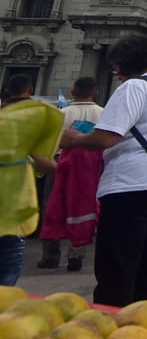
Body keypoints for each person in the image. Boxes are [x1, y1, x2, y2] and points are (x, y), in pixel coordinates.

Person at [56, 35, 147, 306]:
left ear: (129, 61)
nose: (115, 73)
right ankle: (146, 322)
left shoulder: (135, 88)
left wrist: (73, 140)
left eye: (116, 66)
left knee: (117, 267)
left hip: (130, 187)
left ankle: (113, 325)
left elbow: (106, 138)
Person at [38, 77, 104, 272]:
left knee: (52, 205)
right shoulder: (104, 113)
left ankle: (50, 255)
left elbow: (49, 142)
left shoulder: (61, 113)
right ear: (96, 92)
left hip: (60, 163)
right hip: (91, 166)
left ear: (73, 92)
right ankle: (76, 253)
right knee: (84, 206)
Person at [0, 81, 60, 286]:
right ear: (29, 92)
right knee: (10, 250)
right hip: (12, 198)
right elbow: (44, 161)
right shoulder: (26, 120)